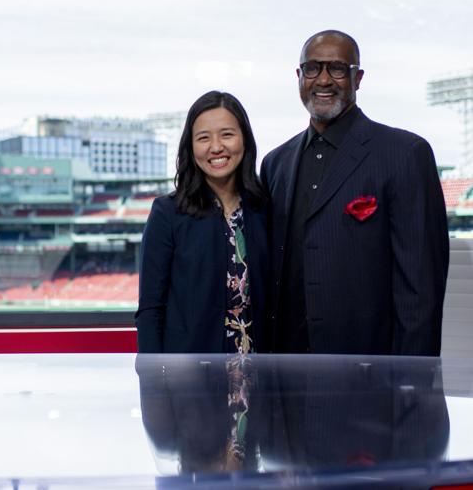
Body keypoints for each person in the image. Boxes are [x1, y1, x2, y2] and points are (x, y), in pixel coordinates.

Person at [260, 30, 449, 356]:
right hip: (284, 373)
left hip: (369, 375)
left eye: (336, 69)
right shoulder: (275, 164)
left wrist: (411, 385)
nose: (323, 80)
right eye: (312, 68)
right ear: (299, 77)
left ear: (357, 78)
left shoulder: (404, 154)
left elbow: (420, 293)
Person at [135, 91, 269, 353]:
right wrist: (155, 383)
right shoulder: (167, 213)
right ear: (190, 146)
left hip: (259, 372)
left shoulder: (265, 209)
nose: (216, 147)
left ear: (245, 140)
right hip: (191, 376)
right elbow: (151, 310)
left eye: (227, 134)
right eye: (203, 138)